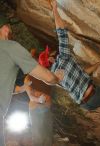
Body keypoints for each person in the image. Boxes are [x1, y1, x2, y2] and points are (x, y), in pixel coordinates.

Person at [49, 0, 100, 115]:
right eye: (51, 55)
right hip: (93, 95)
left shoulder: (55, 78)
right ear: (50, 60)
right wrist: (55, 8)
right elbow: (61, 32)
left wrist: (98, 64)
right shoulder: (63, 59)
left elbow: (83, 73)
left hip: (86, 105)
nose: (54, 53)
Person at [0, 14, 62, 146]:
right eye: (10, 29)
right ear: (5, 29)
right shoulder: (9, 46)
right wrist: (57, 77)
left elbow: (7, 86)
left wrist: (23, 89)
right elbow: (49, 78)